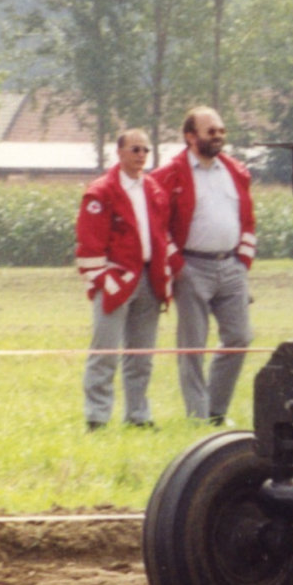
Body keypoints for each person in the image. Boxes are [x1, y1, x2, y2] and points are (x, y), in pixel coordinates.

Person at [153, 106, 255, 423]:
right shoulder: (169, 174)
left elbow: (248, 220)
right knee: (192, 346)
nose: (219, 136)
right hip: (192, 267)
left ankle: (216, 412)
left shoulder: (236, 171)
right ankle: (198, 418)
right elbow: (159, 226)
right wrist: (177, 265)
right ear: (190, 136)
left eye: (221, 131)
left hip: (231, 267)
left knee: (240, 337)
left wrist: (243, 261)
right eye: (211, 131)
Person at [77, 129, 173, 430]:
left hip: (149, 278)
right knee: (105, 352)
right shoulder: (101, 191)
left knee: (141, 356)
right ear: (119, 152)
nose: (141, 155)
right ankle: (97, 417)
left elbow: (161, 235)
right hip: (116, 280)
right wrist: (104, 279)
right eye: (135, 149)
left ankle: (138, 415)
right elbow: (89, 243)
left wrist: (168, 270)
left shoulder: (155, 190)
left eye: (145, 150)